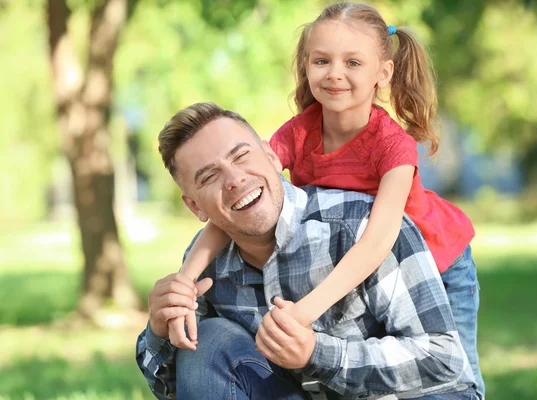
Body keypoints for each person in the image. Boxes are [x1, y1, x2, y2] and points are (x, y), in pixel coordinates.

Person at [168, 2, 484, 398]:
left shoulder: (392, 147)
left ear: (382, 74)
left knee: (452, 381)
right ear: (306, 65)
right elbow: (241, 200)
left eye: (353, 62)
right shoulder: (300, 132)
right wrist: (185, 280)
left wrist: (304, 313)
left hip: (435, 261)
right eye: (321, 60)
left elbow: (376, 242)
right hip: (367, 270)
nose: (335, 74)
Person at [136, 101, 478, 399]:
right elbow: (184, 387)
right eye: (210, 177)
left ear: (271, 155)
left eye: (241, 156)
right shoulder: (205, 267)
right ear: (195, 207)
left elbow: (444, 360)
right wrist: (158, 329)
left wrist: (318, 353)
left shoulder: (361, 225)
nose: (235, 179)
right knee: (208, 339)